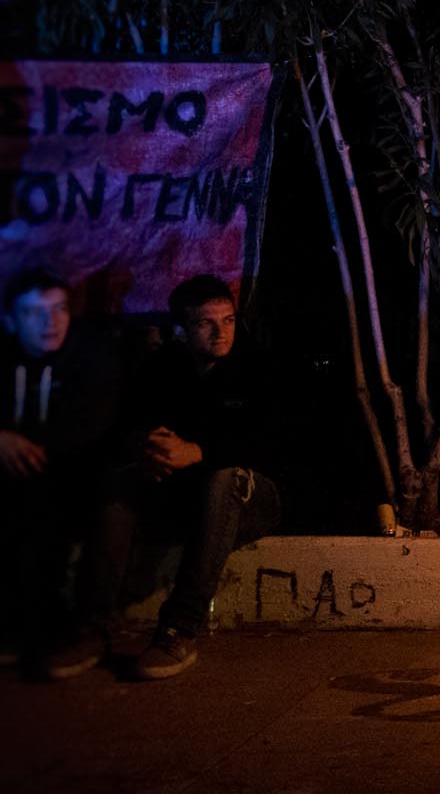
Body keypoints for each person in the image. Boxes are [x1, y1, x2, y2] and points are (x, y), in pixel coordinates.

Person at [46, 274, 282, 681]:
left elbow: (272, 444)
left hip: (250, 499)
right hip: (183, 495)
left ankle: (178, 629)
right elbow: (124, 427)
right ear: (182, 329)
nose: (221, 332)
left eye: (227, 320)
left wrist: (199, 452)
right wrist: (147, 446)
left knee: (224, 477)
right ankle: (93, 628)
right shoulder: (163, 367)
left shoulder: (256, 365)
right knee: (120, 479)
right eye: (206, 323)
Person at [0, 269, 122, 672]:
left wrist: (27, 447)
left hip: (73, 476)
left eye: (59, 309)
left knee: (92, 496)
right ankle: (19, 626)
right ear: (10, 320)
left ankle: (76, 627)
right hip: (15, 476)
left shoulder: (90, 356)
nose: (50, 322)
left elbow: (88, 427)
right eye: (34, 312)